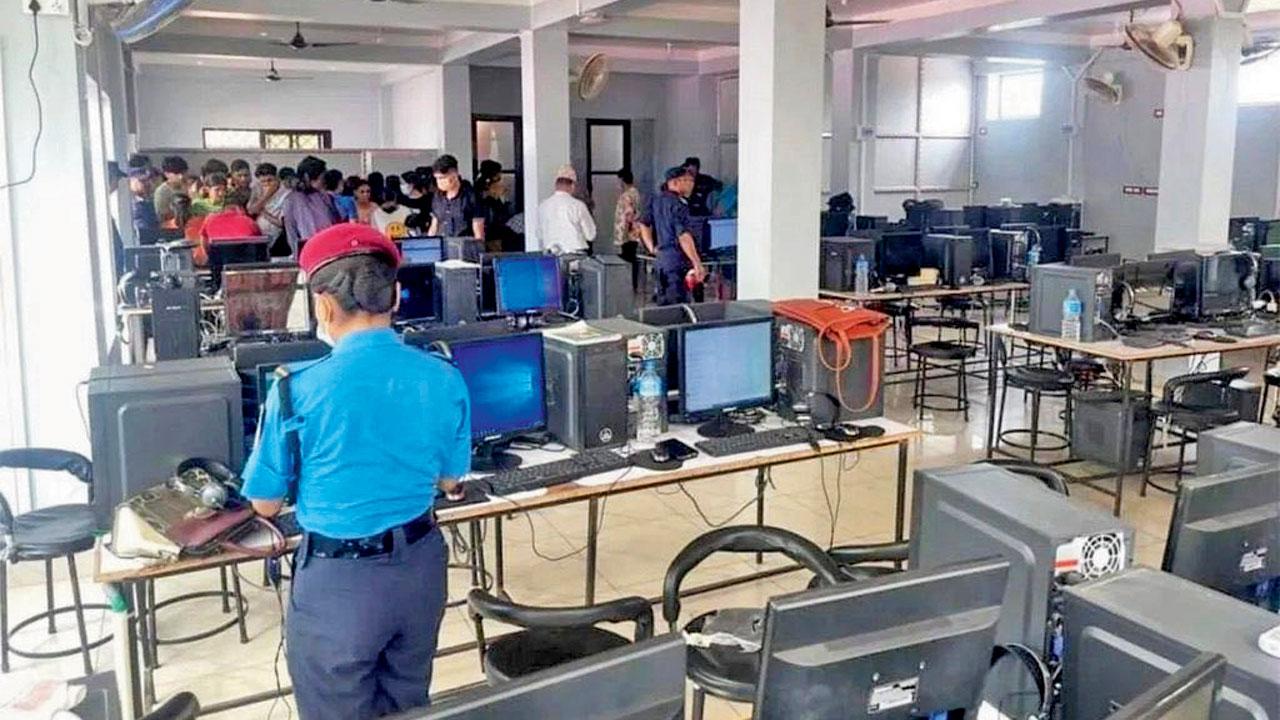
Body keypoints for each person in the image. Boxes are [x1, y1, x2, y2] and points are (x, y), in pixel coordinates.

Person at [241, 223, 466, 720]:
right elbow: (451, 481)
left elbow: (265, 504)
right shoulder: (444, 376)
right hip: (421, 570)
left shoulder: (294, 390)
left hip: (339, 585)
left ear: (322, 306)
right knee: (409, 703)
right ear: (397, 297)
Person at [640, 166, 706, 305]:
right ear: (675, 182)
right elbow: (683, 236)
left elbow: (644, 224)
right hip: (677, 262)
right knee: (678, 308)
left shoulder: (656, 200)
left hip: (661, 260)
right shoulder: (678, 205)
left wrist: (652, 248)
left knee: (663, 305)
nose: (691, 184)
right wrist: (696, 262)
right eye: (688, 180)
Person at [284, 157, 341, 256]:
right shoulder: (293, 199)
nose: (323, 182)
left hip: (328, 245)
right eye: (321, 178)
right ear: (309, 177)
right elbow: (292, 230)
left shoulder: (324, 196)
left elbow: (333, 221)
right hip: (309, 248)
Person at [536, 165, 595, 254]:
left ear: (556, 185)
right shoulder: (578, 205)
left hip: (551, 256)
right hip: (576, 255)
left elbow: (539, 234)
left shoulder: (542, 206)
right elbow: (590, 235)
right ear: (572, 186)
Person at [427, 155, 484, 239]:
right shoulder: (437, 196)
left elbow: (478, 231)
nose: (439, 182)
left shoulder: (471, 196)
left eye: (442, 178)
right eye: (437, 178)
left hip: (464, 246)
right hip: (443, 244)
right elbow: (434, 225)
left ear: (454, 175)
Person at [248, 163, 290, 244]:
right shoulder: (258, 188)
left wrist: (263, 213)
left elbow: (282, 224)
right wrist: (266, 196)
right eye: (263, 181)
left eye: (270, 180)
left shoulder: (286, 194)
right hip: (259, 235)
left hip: (278, 237)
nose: (267, 184)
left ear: (277, 178)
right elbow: (251, 210)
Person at [476, 173, 516, 252]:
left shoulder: (498, 202)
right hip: (494, 240)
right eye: (500, 182)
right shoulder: (487, 205)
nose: (504, 187)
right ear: (491, 186)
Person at [612, 169, 642, 263]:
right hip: (634, 233)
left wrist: (625, 232)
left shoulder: (626, 196)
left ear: (622, 181)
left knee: (627, 260)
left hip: (628, 234)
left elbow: (629, 215)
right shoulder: (635, 193)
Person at [154, 156, 189, 224]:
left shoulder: (188, 186)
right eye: (176, 174)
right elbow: (162, 216)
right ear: (167, 174)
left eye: (183, 173)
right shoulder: (162, 192)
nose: (181, 176)